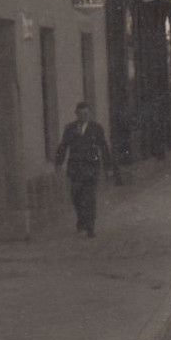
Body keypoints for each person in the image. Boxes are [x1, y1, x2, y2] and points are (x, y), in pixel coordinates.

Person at [53, 102, 121, 238]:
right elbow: (63, 146)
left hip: (91, 167)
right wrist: (58, 163)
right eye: (81, 114)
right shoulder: (70, 128)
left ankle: (90, 226)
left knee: (89, 197)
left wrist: (108, 168)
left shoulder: (96, 128)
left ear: (89, 114)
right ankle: (81, 219)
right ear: (76, 114)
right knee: (76, 195)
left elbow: (104, 147)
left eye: (86, 114)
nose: (83, 116)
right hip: (75, 168)